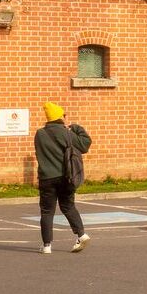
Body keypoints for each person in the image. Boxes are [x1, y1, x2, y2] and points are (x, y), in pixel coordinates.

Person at [34, 101, 92, 255]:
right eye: (64, 115)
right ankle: (81, 234)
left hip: (46, 178)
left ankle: (47, 246)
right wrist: (77, 127)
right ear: (60, 117)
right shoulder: (67, 133)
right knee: (68, 206)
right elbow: (85, 144)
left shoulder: (39, 134)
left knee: (47, 212)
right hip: (66, 177)